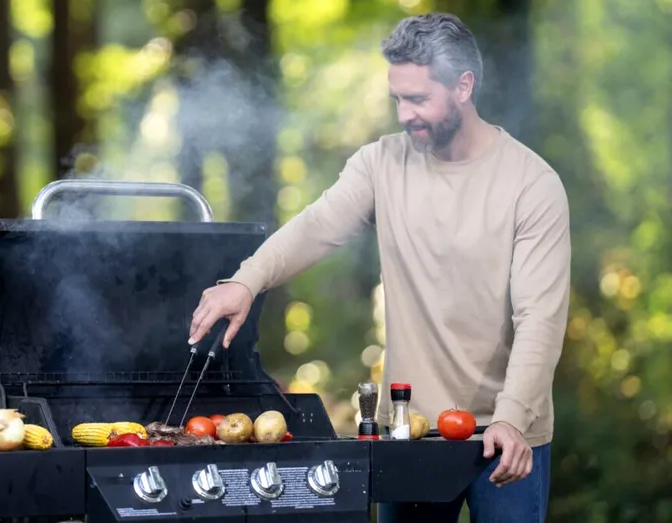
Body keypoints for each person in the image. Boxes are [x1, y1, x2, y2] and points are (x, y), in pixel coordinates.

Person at [187, 11, 569, 523]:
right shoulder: (381, 163)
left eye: (418, 99)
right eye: (397, 98)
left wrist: (514, 418)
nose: (404, 114)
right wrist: (246, 281)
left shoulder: (531, 185)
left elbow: (539, 319)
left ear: (463, 86)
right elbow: (316, 225)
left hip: (507, 434)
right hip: (408, 432)